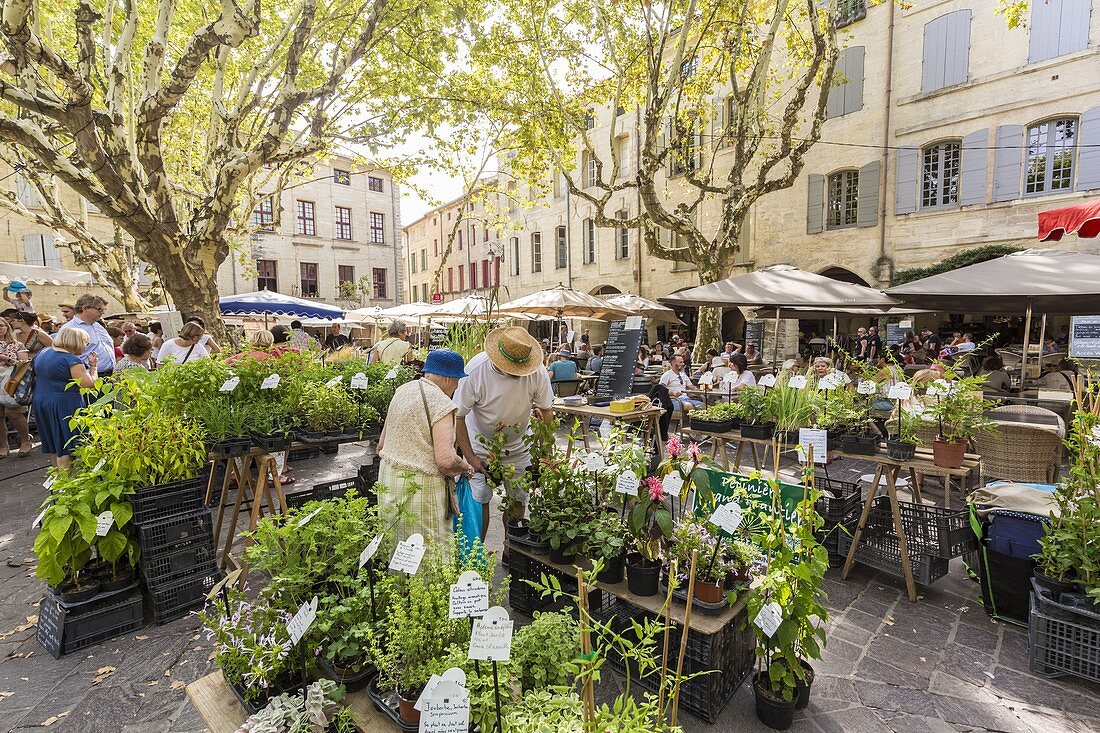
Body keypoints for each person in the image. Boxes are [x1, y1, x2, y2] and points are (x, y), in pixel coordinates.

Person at [454, 327, 554, 542]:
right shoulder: (475, 370)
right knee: (480, 498)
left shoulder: (537, 371)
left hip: (519, 446)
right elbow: (458, 416)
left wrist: (545, 455)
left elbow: (546, 411)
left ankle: (511, 547)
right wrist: (471, 457)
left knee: (517, 499)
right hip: (480, 445)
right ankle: (477, 552)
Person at [377, 349, 474, 545]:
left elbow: (381, 445)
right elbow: (446, 460)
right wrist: (465, 468)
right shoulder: (441, 403)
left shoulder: (402, 390)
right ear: (448, 379)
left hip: (388, 479)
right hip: (420, 489)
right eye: (457, 380)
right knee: (426, 549)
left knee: (395, 545)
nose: (457, 385)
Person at [33, 328, 98, 467]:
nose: (86, 346)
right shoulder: (71, 360)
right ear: (77, 341)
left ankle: (58, 484)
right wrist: (93, 367)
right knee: (66, 445)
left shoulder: (43, 353)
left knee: (54, 447)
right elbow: (89, 384)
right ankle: (67, 485)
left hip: (41, 401)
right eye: (85, 342)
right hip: (63, 403)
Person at [60, 294, 115, 376]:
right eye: (99, 309)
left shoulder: (98, 325)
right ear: (85, 308)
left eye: (104, 309)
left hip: (110, 374)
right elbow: (64, 356)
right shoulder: (70, 329)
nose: (103, 312)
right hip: (88, 376)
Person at [0, 319, 32, 457]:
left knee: (13, 413)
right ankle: (3, 445)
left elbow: (23, 364)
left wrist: (6, 359)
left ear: (7, 327)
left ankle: (25, 441)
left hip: (11, 382)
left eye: (1, 325)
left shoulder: (17, 344)